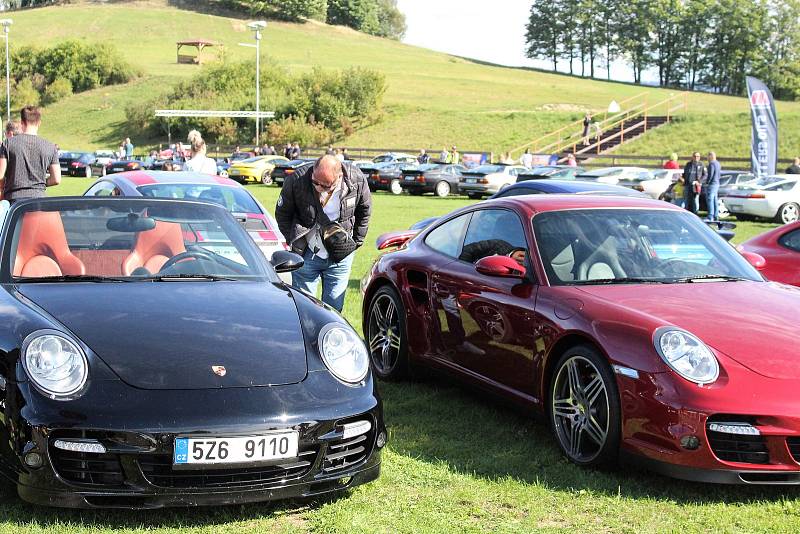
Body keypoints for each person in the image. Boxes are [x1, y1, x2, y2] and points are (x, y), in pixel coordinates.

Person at [275, 155, 371, 312]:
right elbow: (282, 214)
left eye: (326, 186)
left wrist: (355, 242)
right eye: (315, 182)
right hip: (306, 253)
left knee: (334, 309)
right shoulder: (296, 180)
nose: (319, 187)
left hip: (341, 256)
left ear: (339, 177)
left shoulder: (356, 180)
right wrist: (294, 240)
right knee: (304, 308)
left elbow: (365, 211)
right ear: (313, 169)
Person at [0, 106, 61, 203]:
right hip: (39, 199)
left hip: (14, 201)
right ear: (39, 123)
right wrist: (37, 184)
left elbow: (0, 175)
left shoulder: (8, 144)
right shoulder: (50, 147)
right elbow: (56, 179)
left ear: (22, 123)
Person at [705, 152, 721, 221]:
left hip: (712, 184)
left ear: (711, 156)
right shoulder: (718, 163)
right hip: (717, 183)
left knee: (710, 200)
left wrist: (707, 182)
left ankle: (710, 216)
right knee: (715, 200)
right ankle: (716, 215)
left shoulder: (711, 164)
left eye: (708, 156)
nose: (707, 158)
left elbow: (710, 175)